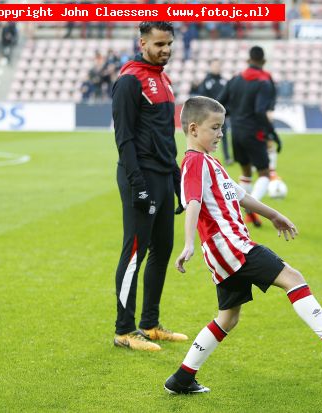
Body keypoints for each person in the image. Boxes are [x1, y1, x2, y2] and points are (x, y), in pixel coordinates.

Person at [162, 96, 322, 395]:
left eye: (221, 127)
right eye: (215, 128)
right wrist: (188, 243)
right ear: (192, 129)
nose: (221, 134)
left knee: (228, 318)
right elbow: (192, 202)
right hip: (232, 246)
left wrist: (274, 214)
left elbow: (239, 195)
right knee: (293, 278)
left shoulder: (209, 162)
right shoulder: (194, 162)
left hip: (224, 251)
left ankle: (182, 378)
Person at [111, 21, 187, 352]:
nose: (165, 50)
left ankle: (150, 324)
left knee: (163, 249)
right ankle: (124, 331)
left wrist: (176, 180)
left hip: (160, 175)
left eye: (169, 44)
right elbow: (124, 138)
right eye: (159, 44)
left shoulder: (164, 79)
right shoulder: (130, 80)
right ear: (142, 43)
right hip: (138, 176)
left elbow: (165, 138)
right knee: (134, 254)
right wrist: (137, 183)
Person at [218, 46, 281, 228]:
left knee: (246, 173)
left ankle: (243, 210)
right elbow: (261, 111)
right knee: (264, 173)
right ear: (263, 61)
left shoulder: (236, 79)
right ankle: (251, 207)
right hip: (254, 132)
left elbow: (220, 103)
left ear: (248, 59)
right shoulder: (264, 81)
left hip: (236, 132)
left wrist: (235, 115)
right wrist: (272, 133)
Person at [197, 59, 233, 165]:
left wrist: (227, 112)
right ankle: (206, 158)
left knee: (224, 136)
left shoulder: (224, 81)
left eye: (218, 65)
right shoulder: (206, 82)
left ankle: (227, 158)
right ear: (210, 67)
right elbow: (202, 98)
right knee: (208, 137)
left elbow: (229, 98)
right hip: (209, 116)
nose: (216, 67)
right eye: (214, 65)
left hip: (222, 116)